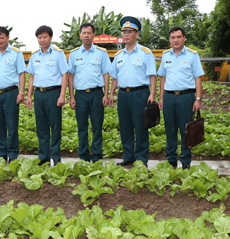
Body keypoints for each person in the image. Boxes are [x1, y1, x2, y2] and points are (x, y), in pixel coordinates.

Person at [108, 16, 156, 166]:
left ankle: (142, 158)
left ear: (137, 34)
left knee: (141, 126)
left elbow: (152, 75)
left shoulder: (145, 53)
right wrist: (111, 94)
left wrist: (152, 94)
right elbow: (115, 77)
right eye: (124, 32)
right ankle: (128, 156)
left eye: (130, 31)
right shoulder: (118, 56)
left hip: (140, 94)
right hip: (123, 94)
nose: (126, 35)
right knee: (125, 126)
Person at [157, 26, 204, 169]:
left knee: (186, 129)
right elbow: (163, 78)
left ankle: (185, 160)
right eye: (173, 37)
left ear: (184, 38)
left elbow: (197, 78)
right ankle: (171, 159)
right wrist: (161, 98)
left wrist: (198, 99)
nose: (176, 40)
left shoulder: (192, 55)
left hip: (186, 97)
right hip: (169, 97)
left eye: (178, 37)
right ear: (170, 39)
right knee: (170, 129)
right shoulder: (166, 55)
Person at [67, 23, 110, 162]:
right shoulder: (74, 54)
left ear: (93, 35)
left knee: (97, 125)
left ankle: (97, 154)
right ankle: (84, 154)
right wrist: (71, 96)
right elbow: (71, 76)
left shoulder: (101, 53)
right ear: (80, 35)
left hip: (97, 93)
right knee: (82, 126)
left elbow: (106, 74)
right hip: (80, 95)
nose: (86, 35)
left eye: (89, 33)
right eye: (84, 33)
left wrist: (106, 94)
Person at [25, 25, 68, 165]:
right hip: (39, 93)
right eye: (40, 37)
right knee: (41, 126)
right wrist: (29, 96)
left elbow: (64, 74)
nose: (42, 40)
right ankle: (43, 157)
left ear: (50, 37)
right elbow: (31, 76)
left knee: (55, 126)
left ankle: (56, 157)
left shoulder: (58, 53)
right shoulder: (34, 55)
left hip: (53, 93)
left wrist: (62, 95)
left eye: (45, 37)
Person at [0, 27, 26, 164]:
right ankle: (1, 153)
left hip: (11, 93)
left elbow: (22, 73)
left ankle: (13, 152)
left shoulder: (16, 53)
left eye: (2, 37)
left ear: (8, 38)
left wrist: (21, 92)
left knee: (12, 125)